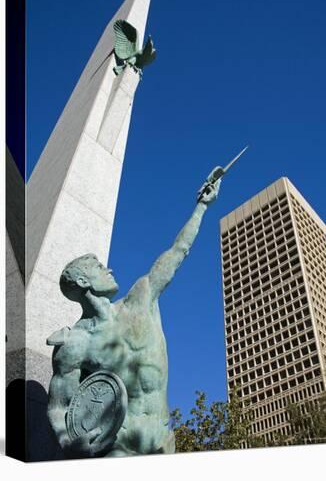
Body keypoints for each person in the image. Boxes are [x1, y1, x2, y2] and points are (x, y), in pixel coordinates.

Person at [47, 170, 222, 457]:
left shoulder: (142, 295)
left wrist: (202, 207)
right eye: (99, 269)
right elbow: (59, 407)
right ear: (83, 282)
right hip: (118, 448)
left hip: (163, 443)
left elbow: (178, 251)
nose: (109, 270)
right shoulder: (76, 343)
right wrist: (68, 440)